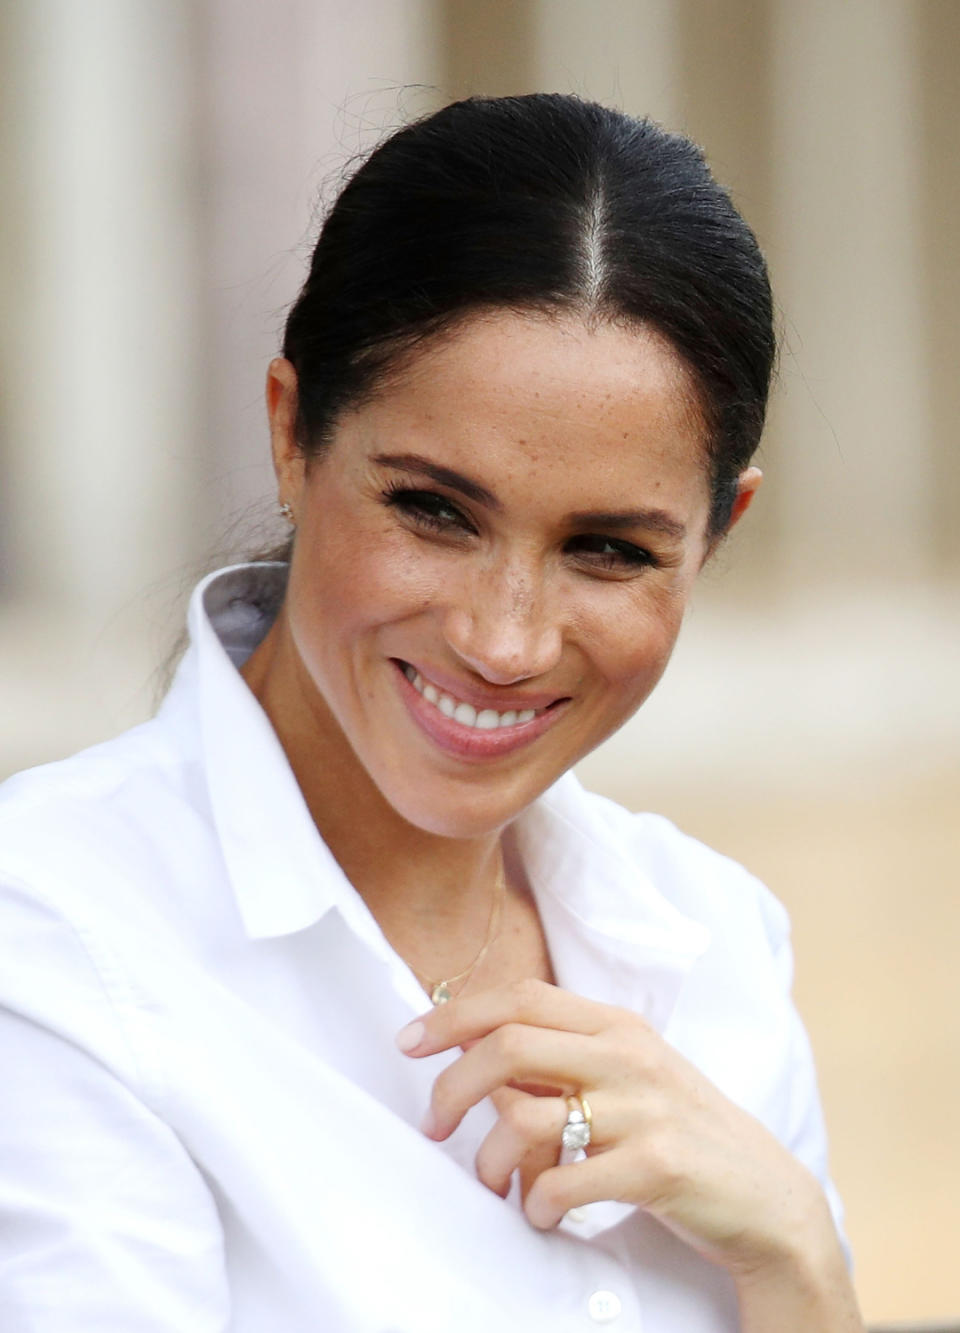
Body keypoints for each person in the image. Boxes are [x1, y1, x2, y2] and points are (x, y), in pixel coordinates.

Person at [0, 94, 863, 1332]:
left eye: (609, 549)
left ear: (718, 536)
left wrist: (799, 1264)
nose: (504, 637)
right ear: (294, 433)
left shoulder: (712, 939)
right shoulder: (52, 944)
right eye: (434, 511)